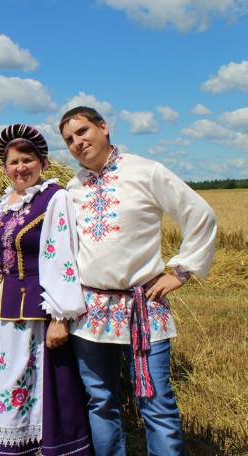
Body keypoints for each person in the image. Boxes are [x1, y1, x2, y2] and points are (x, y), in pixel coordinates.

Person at [59, 106, 217, 455]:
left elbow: (200, 214)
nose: (77, 142)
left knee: (156, 403)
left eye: (83, 131)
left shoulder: (145, 171)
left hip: (142, 306)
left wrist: (182, 271)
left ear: (103, 127)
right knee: (100, 401)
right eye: (69, 139)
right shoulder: (73, 187)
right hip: (92, 310)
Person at [0, 124, 92, 456]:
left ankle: (36, 446)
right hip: (0, 313)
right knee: (0, 382)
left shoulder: (54, 198)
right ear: (4, 167)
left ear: (42, 163)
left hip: (35, 315)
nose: (20, 168)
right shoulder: (4, 203)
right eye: (13, 162)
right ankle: (3, 445)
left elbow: (61, 256)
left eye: (27, 160)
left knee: (29, 384)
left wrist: (61, 316)